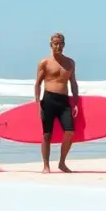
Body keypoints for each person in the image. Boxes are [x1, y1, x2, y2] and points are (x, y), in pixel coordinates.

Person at [34, 32, 79, 173]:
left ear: (64, 45)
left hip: (64, 101)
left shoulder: (70, 63)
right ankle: (46, 165)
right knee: (47, 134)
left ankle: (62, 163)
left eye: (60, 44)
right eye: (55, 44)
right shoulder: (44, 63)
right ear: (51, 45)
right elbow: (37, 84)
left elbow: (73, 83)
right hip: (48, 100)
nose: (58, 46)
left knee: (70, 132)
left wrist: (76, 102)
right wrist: (37, 105)